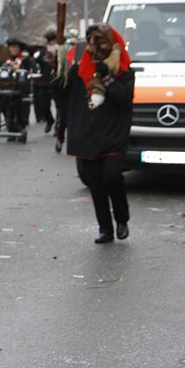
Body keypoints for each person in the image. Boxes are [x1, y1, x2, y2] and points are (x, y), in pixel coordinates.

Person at [51, 24, 134, 244]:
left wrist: (107, 78)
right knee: (95, 182)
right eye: (92, 44)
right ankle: (105, 228)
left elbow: (125, 98)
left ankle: (122, 218)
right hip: (87, 133)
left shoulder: (124, 71)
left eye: (101, 43)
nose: (95, 49)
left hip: (113, 132)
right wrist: (59, 81)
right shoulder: (80, 70)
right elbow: (64, 96)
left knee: (112, 175)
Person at [31, 29, 58, 132]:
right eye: (51, 41)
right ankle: (49, 120)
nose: (52, 43)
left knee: (59, 106)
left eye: (54, 41)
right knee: (44, 104)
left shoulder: (60, 50)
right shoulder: (42, 52)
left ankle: (58, 126)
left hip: (56, 81)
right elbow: (35, 62)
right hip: (44, 82)